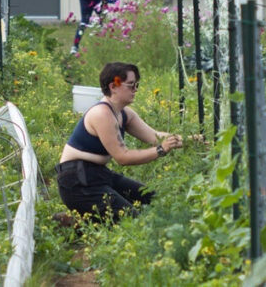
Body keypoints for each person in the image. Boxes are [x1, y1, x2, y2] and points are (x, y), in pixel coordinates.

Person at [56, 62, 186, 224]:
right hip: (77, 180)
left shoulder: (124, 113)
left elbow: (155, 136)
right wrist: (160, 150)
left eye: (136, 85)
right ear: (113, 86)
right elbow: (122, 158)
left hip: (98, 174)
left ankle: (81, 217)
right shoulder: (101, 114)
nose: (136, 90)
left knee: (152, 199)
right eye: (131, 85)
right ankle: (75, 220)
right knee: (131, 220)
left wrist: (190, 140)